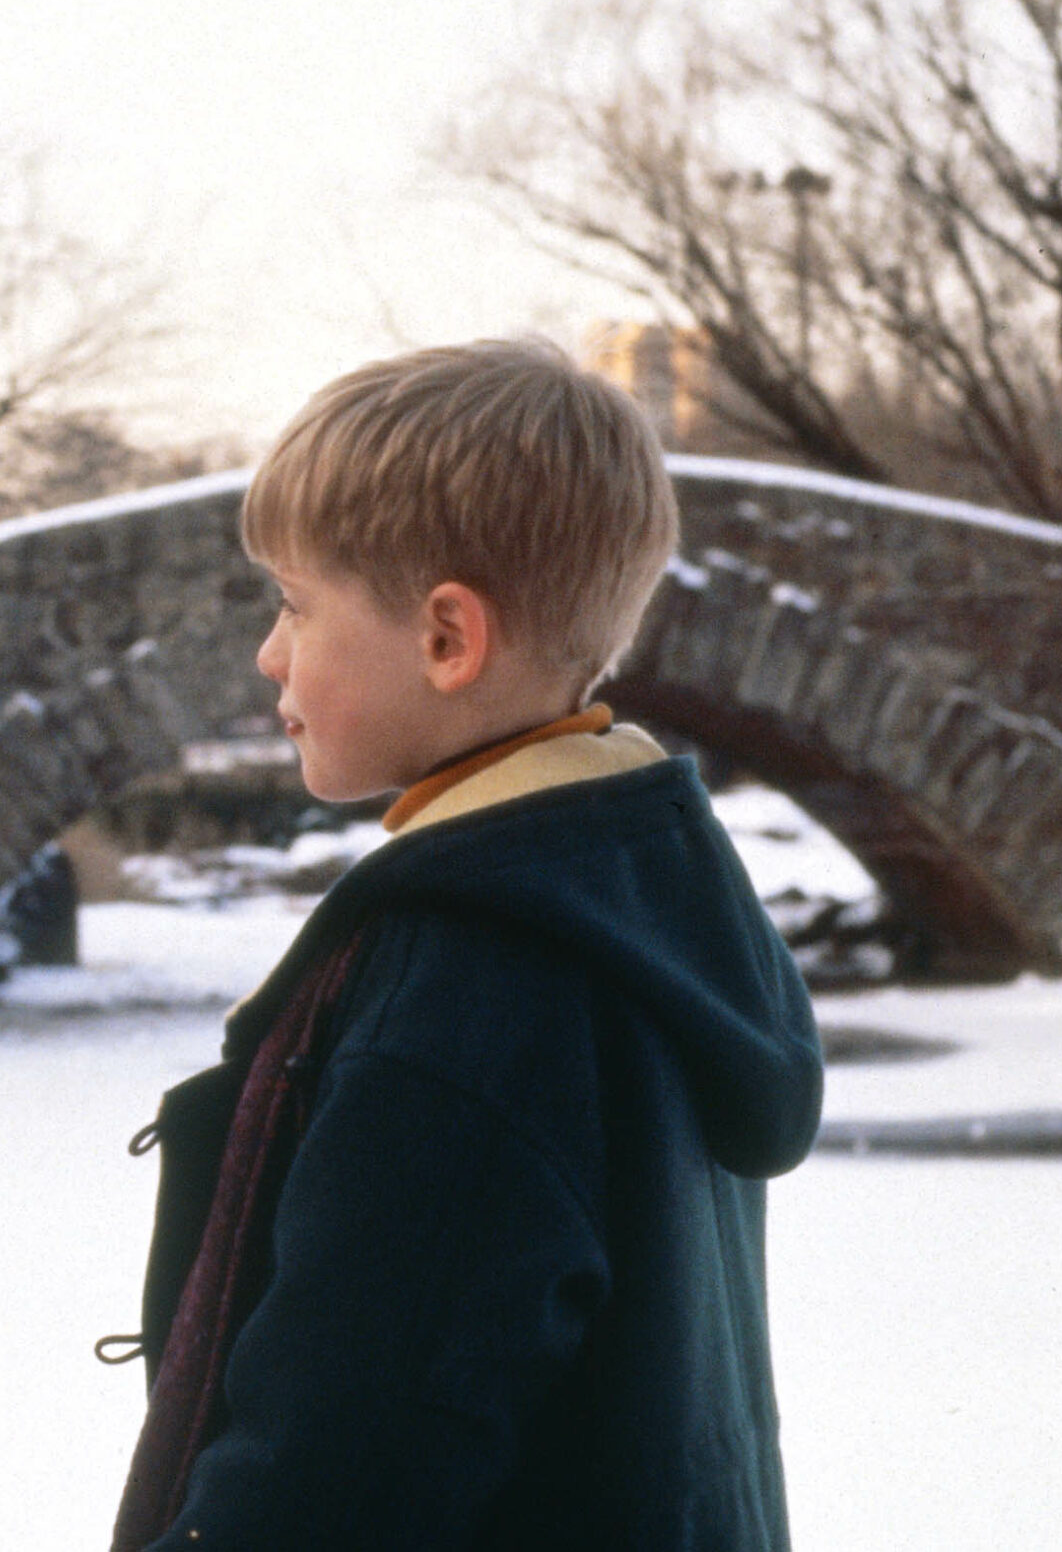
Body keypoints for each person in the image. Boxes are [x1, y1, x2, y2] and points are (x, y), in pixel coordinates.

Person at [109, 340, 823, 1551]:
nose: (266, 654)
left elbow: (331, 1480)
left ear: (447, 637)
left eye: (293, 604)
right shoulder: (642, 899)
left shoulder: (466, 990)